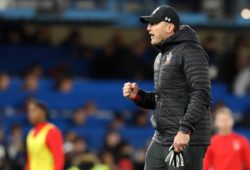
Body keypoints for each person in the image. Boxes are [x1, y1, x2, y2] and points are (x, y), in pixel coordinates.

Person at [123, 5, 211, 170]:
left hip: (185, 139)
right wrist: (138, 96)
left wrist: (185, 130)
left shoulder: (191, 51)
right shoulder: (161, 56)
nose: (148, 28)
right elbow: (164, 99)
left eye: (154, 23)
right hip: (161, 137)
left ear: (170, 27)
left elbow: (201, 93)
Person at [25, 100, 64, 170]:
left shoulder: (52, 131)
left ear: (43, 113)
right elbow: (29, 160)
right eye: (29, 111)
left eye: (33, 111)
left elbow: (59, 159)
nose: (29, 115)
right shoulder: (30, 134)